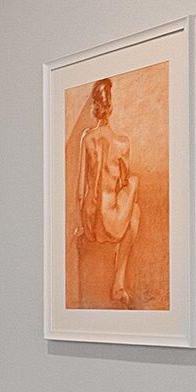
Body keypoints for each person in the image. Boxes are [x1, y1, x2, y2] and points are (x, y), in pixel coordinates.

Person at [67, 76, 140, 307]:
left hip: (90, 223)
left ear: (94, 107)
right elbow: (125, 180)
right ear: (111, 106)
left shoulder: (86, 138)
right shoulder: (122, 142)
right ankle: (118, 283)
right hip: (111, 223)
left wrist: (81, 222)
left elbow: (80, 188)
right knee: (135, 202)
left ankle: (118, 285)